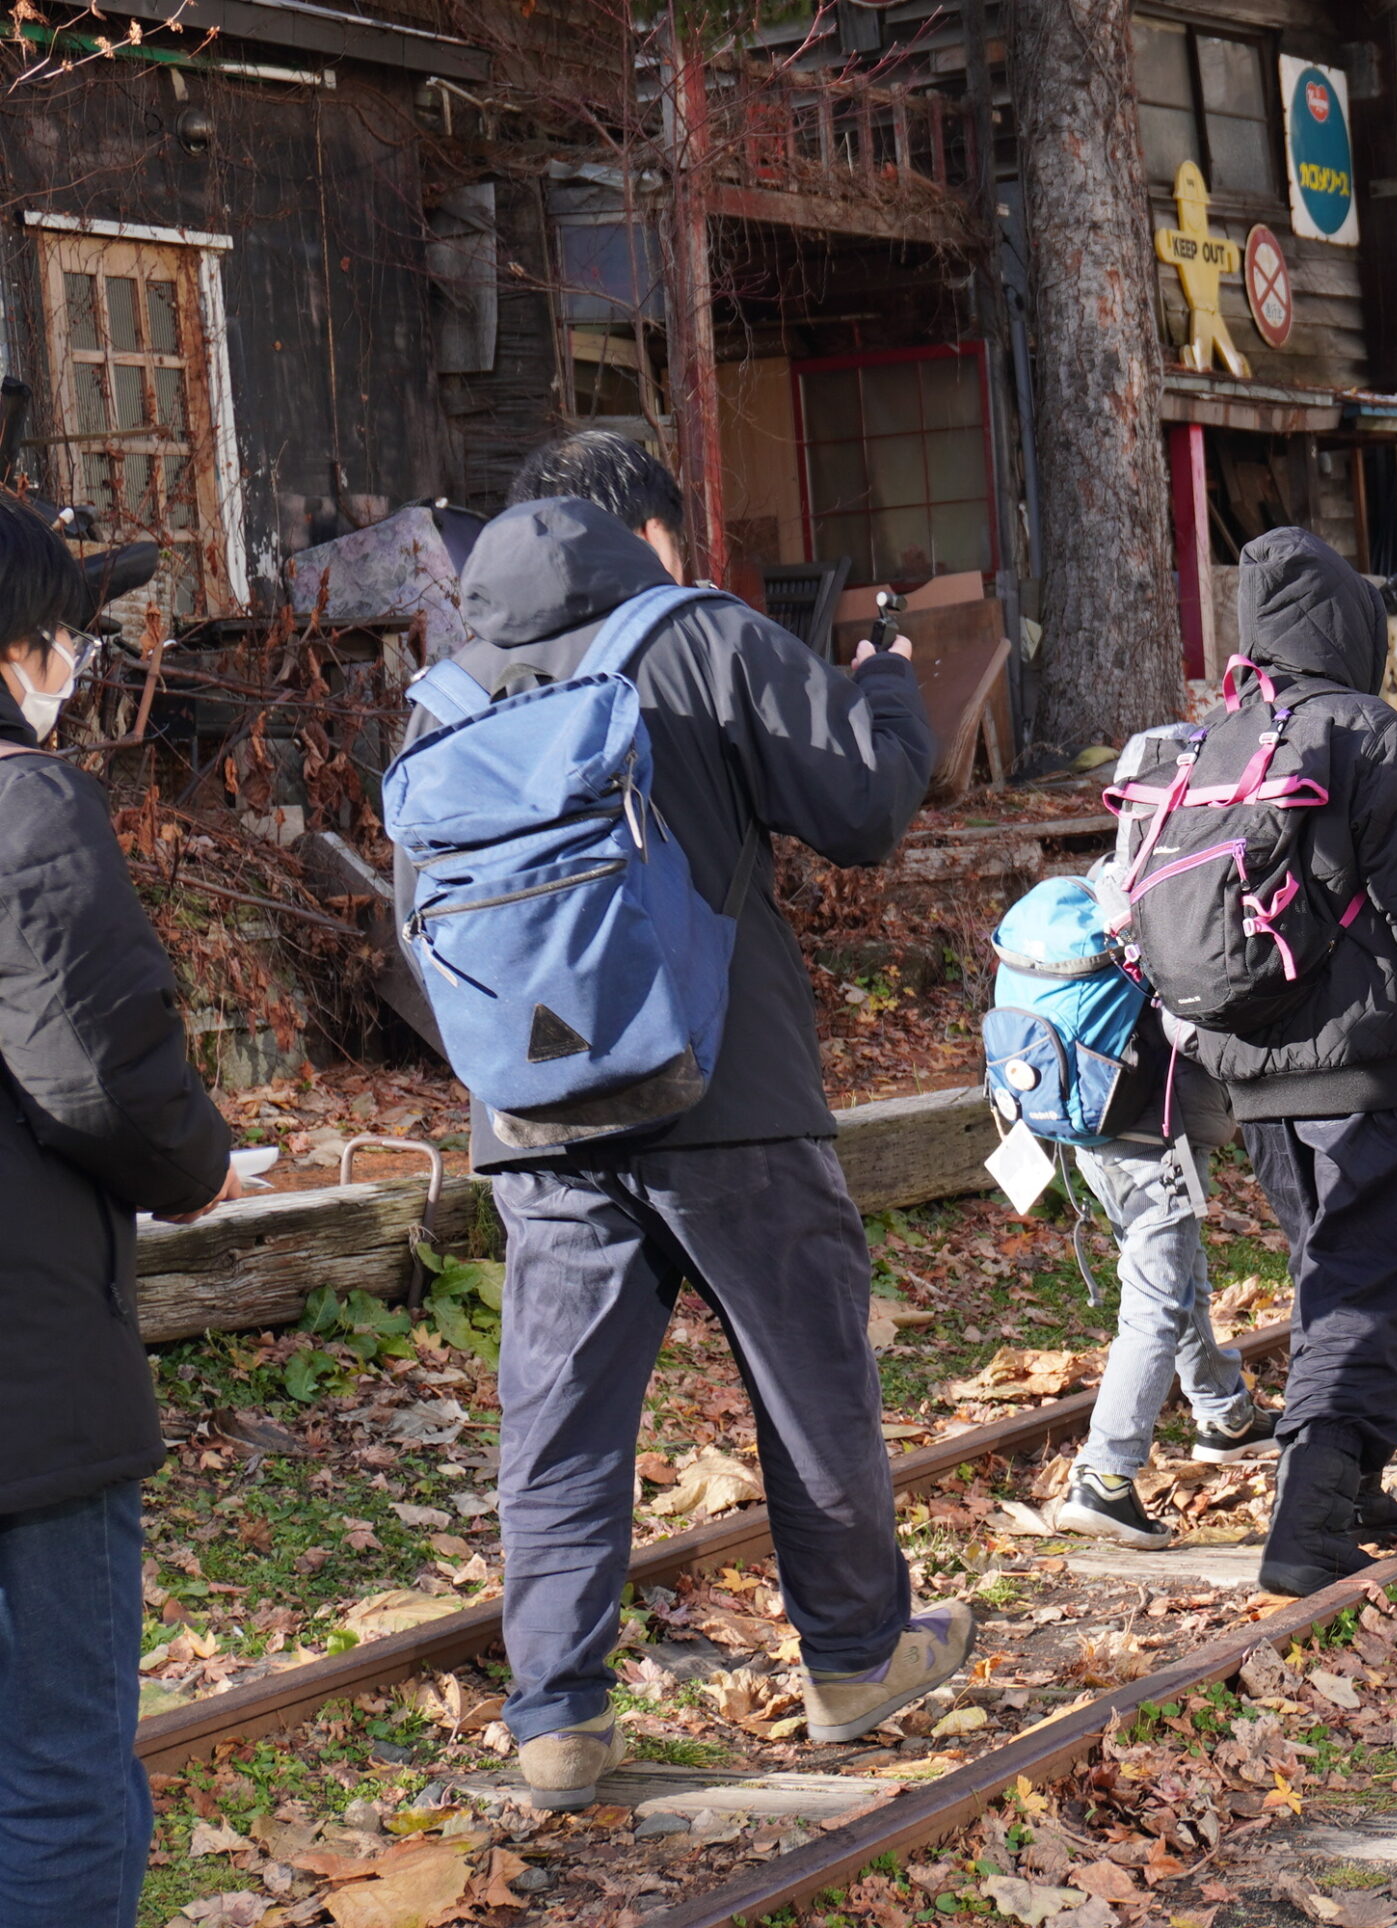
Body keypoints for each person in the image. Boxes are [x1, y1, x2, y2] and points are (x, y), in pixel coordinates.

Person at [394, 433, 962, 1808]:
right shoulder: (699, 637)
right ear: (648, 534)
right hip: (729, 1091)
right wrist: (888, 688)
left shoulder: (444, 695)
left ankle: (560, 1719)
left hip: (533, 1114)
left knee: (562, 1414)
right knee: (805, 1378)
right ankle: (853, 1658)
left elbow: (424, 926)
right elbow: (868, 810)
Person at [1168, 528, 1397, 1598]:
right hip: (1361, 1066)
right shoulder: (1363, 733)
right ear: (1348, 628)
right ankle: (1309, 1518)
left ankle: (1357, 1474)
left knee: (1331, 1270)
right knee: (1362, 1282)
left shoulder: (1216, 740)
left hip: (1247, 1067)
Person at [0, 495, 238, 1924]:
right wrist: (200, 1168)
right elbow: (103, 1069)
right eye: (64, 638)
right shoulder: (20, 809)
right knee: (60, 1771)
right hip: (25, 1382)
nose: (70, 667)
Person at [1051, 820, 1283, 1549]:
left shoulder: (1103, 881)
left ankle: (1222, 1412)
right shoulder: (1175, 889)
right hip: (1152, 1129)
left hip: (1083, 1120)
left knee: (1177, 1265)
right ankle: (1106, 1476)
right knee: (1152, 1301)